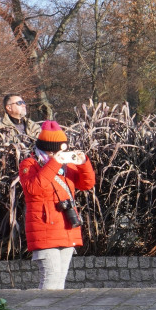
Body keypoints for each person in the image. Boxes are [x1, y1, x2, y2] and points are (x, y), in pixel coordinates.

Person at [18, 121, 95, 289]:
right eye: (57, 151)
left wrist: (84, 163)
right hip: (44, 228)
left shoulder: (67, 165)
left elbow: (87, 184)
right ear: (48, 149)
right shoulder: (29, 164)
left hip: (67, 226)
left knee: (59, 281)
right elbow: (33, 189)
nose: (60, 154)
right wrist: (55, 162)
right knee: (51, 279)